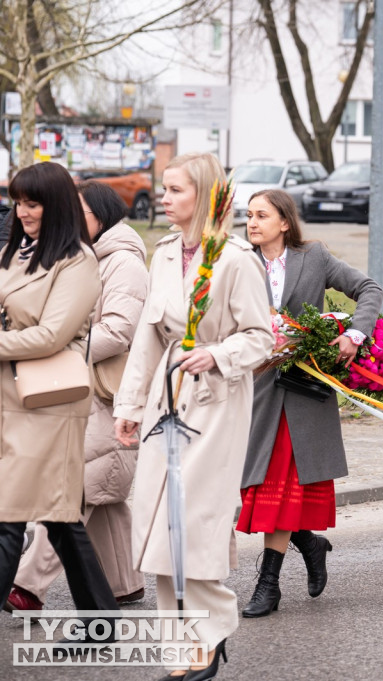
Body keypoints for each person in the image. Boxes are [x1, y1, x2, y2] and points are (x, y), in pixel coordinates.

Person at [114, 153, 274, 679]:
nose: (163, 197)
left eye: (175, 189)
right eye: (163, 188)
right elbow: (146, 337)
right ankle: (177, 644)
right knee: (159, 525)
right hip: (166, 399)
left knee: (196, 524)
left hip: (215, 404)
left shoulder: (234, 259)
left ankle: (210, 629)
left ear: (202, 196)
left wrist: (217, 354)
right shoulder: (162, 254)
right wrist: (129, 406)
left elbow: (260, 338)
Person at [236, 189, 383, 617]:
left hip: (303, 390)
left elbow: (368, 288)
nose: (252, 223)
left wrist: (354, 334)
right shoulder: (239, 262)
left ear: (285, 222)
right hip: (255, 391)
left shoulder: (314, 256)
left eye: (262, 215)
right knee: (254, 485)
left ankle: (268, 584)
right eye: (248, 216)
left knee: (277, 484)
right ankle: (311, 544)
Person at [5, 181, 147, 613]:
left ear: (100, 216)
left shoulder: (121, 263)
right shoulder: (61, 255)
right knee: (104, 495)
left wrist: (60, 348)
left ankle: (28, 586)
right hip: (79, 385)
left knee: (71, 492)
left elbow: (120, 331)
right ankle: (122, 587)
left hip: (100, 390)